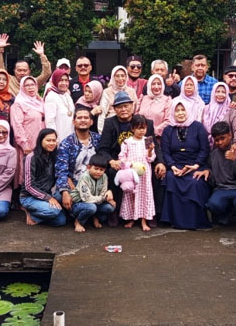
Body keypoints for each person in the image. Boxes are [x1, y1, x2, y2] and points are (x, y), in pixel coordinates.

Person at [98, 92, 166, 226]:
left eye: (126, 106)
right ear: (114, 109)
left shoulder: (144, 122)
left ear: (132, 106)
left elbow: (153, 146)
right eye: (119, 107)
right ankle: (115, 211)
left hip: (143, 160)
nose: (123, 109)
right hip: (121, 161)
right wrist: (111, 161)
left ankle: (150, 214)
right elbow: (103, 148)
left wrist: (160, 162)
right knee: (112, 173)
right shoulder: (110, 123)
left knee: (156, 173)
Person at [160, 100, 211, 229]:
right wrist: (172, 166)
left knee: (195, 182)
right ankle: (174, 220)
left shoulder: (198, 127)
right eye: (177, 110)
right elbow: (165, 152)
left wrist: (196, 165)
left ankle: (193, 221)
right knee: (171, 178)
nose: (180, 113)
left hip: (195, 165)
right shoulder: (168, 130)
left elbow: (204, 149)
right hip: (175, 165)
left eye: (183, 110)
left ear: (188, 110)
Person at [203, 121, 236, 226]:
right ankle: (224, 213)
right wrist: (207, 171)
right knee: (213, 204)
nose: (220, 142)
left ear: (230, 135)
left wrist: (235, 160)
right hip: (222, 188)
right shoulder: (213, 155)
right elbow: (210, 171)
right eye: (216, 140)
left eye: (223, 138)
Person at [19, 128, 67, 226]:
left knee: (61, 221)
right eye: (48, 140)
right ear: (40, 141)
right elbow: (29, 186)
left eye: (54, 140)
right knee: (54, 211)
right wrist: (48, 198)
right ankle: (29, 210)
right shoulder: (31, 157)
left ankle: (36, 216)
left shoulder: (54, 156)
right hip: (29, 197)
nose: (51, 143)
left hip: (46, 195)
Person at [55, 108, 101, 207]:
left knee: (108, 208)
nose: (83, 120)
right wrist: (65, 191)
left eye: (86, 118)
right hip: (74, 183)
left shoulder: (98, 139)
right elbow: (61, 170)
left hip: (94, 183)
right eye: (79, 118)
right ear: (74, 122)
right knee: (90, 208)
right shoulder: (66, 143)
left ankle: (81, 206)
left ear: (91, 122)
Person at [118, 115, 157, 231]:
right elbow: (122, 157)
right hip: (131, 173)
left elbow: (151, 158)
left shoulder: (147, 140)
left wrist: (150, 151)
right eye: (139, 128)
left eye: (143, 128)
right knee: (131, 194)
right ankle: (131, 218)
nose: (141, 131)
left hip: (144, 173)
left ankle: (143, 220)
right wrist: (128, 165)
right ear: (132, 128)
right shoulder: (127, 142)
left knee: (144, 195)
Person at [11, 76, 46, 189]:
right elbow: (17, 125)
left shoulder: (40, 101)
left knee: (39, 171)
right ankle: (23, 196)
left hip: (40, 142)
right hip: (27, 144)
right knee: (26, 171)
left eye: (33, 85)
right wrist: (24, 144)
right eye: (27, 85)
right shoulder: (18, 104)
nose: (31, 87)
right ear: (22, 87)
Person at [70, 154, 116, 232]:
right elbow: (87, 199)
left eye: (101, 170)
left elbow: (103, 192)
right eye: (96, 169)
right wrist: (105, 198)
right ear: (89, 167)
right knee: (91, 208)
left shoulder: (104, 177)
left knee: (110, 207)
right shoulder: (84, 177)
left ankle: (95, 216)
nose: (98, 172)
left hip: (94, 202)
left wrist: (107, 196)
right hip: (79, 203)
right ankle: (78, 221)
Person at [98, 65, 138, 133]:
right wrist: (101, 131)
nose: (120, 78)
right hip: (112, 126)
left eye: (123, 76)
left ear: (126, 77)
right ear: (113, 77)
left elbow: (136, 110)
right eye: (117, 76)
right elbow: (102, 113)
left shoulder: (131, 91)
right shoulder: (107, 92)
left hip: (129, 125)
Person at [201, 82, 236, 148]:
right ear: (213, 93)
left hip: (226, 147)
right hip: (207, 145)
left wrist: (235, 144)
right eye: (217, 91)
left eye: (223, 92)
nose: (220, 94)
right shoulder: (206, 109)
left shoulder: (231, 110)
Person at [44, 69, 75, 142]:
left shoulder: (67, 95)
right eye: (60, 80)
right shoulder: (51, 97)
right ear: (55, 80)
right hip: (59, 138)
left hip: (70, 136)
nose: (64, 83)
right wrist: (55, 139)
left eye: (66, 80)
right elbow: (50, 122)